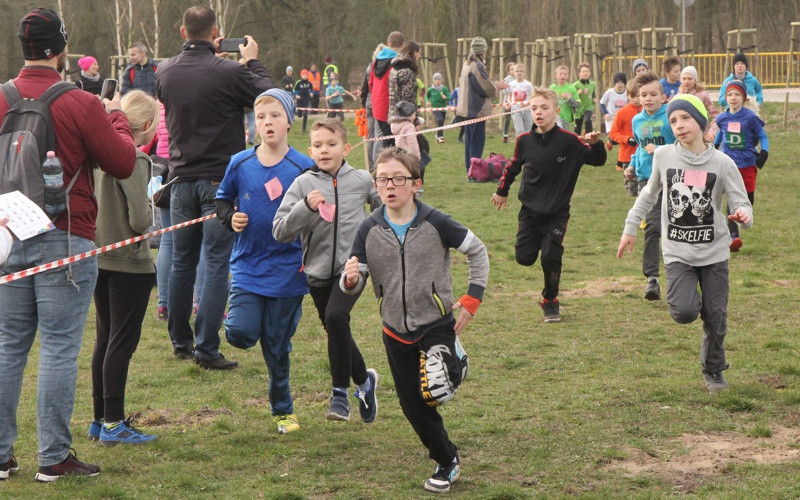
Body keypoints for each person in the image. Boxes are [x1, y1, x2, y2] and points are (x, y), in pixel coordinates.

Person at [0, 7, 137, 481]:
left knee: (8, 347)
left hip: (8, 235)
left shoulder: (1, 98)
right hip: (65, 234)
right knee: (59, 348)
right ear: (61, 49)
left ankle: (1, 455)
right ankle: (53, 456)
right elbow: (122, 162)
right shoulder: (79, 102)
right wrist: (116, 115)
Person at [342, 147, 489, 493]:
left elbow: (477, 251)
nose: (389, 186)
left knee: (436, 389)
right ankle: (447, 458)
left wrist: (472, 299)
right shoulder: (367, 229)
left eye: (398, 179)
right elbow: (356, 280)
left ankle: (452, 365)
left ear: (416, 183)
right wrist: (350, 280)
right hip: (394, 329)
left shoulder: (436, 222)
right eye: (382, 180)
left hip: (436, 323)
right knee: (413, 405)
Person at [155, 5, 276, 370]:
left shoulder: (164, 71)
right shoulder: (230, 72)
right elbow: (269, 97)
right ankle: (206, 348)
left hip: (180, 180)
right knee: (217, 262)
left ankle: (181, 341)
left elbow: (188, 88)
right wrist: (251, 61)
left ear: (182, 32)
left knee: (182, 262)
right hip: (219, 182)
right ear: (215, 32)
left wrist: (212, 57)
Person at [617, 94, 753, 394]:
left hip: (714, 252)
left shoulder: (723, 163)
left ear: (701, 122)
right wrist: (630, 228)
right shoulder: (664, 156)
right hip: (678, 252)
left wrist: (744, 216)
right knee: (684, 312)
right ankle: (699, 305)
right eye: (673, 120)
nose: (678, 125)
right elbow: (648, 195)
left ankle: (713, 370)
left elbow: (741, 201)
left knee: (716, 316)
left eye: (686, 118)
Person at [215, 89, 314, 433]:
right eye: (261, 117)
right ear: (254, 125)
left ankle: (282, 409)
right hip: (248, 263)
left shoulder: (304, 167)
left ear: (289, 122)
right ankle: (250, 320)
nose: (268, 123)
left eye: (275, 116)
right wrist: (230, 217)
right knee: (241, 334)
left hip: (289, 269)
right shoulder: (240, 163)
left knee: (276, 347)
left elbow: (323, 212)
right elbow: (221, 200)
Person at [273, 118, 382, 423]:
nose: (324, 150)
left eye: (332, 144)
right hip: (317, 273)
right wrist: (305, 208)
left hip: (353, 268)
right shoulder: (302, 184)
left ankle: (339, 396)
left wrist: (373, 239)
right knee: (337, 328)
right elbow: (280, 231)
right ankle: (365, 382)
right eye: (318, 145)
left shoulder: (362, 180)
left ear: (346, 148)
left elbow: (385, 209)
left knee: (336, 317)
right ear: (310, 151)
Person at [491, 88, 607, 323]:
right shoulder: (524, 141)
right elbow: (512, 167)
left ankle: (550, 300)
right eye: (534, 108)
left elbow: (598, 161)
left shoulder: (569, 141)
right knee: (524, 258)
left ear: (556, 111)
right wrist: (502, 191)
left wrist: (596, 144)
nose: (538, 112)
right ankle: (534, 241)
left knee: (550, 257)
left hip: (557, 213)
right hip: (530, 211)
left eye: (544, 108)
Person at [90, 90, 159, 446]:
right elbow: (139, 220)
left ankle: (100, 418)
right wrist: (151, 204)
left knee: (104, 339)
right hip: (129, 263)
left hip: (99, 257)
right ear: (146, 125)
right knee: (121, 343)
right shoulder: (135, 157)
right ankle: (115, 424)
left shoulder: (98, 156)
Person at [625, 70, 676, 301]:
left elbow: (683, 144)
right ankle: (652, 279)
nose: (648, 98)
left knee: (676, 228)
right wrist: (632, 165)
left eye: (653, 94)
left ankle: (682, 273)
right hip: (649, 180)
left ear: (663, 97)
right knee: (652, 227)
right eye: (643, 94)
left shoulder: (671, 117)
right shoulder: (637, 120)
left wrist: (662, 150)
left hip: (674, 178)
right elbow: (640, 147)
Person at [714, 80, 768, 252]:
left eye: (737, 94)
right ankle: (733, 236)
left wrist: (764, 152)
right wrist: (714, 148)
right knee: (731, 197)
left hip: (747, 164)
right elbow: (720, 135)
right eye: (730, 94)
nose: (733, 98)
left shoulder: (750, 117)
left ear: (743, 98)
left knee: (748, 197)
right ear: (726, 98)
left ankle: (742, 217)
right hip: (729, 164)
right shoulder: (722, 118)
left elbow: (763, 136)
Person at [456, 37, 504, 174]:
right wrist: (496, 87)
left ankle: (469, 169)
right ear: (483, 51)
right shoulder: (477, 65)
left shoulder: (467, 63)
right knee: (477, 142)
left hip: (467, 109)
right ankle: (474, 171)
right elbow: (485, 88)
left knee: (469, 142)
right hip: (476, 109)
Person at [369, 31, 405, 159]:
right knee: (392, 143)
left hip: (378, 105)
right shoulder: (398, 62)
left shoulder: (376, 61)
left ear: (388, 43)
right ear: (403, 45)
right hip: (390, 106)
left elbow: (371, 83)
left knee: (386, 140)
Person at [608, 80, 642, 196]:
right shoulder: (622, 113)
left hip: (645, 155)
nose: (636, 99)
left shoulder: (647, 111)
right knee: (632, 190)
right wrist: (627, 139)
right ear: (628, 95)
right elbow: (613, 133)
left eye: (639, 96)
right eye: (633, 96)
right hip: (627, 156)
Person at [389, 40, 422, 158]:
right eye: (419, 53)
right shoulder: (407, 72)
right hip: (405, 118)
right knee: (413, 153)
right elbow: (407, 99)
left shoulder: (394, 69)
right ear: (414, 52)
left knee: (401, 152)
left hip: (394, 115)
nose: (420, 56)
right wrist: (415, 120)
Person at [678, 66, 719, 142]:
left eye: (689, 79)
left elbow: (715, 115)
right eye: (684, 78)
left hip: (702, 136)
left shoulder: (702, 95)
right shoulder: (678, 96)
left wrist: (712, 132)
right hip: (684, 135)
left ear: (695, 80)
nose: (686, 81)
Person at [505, 63, 534, 137]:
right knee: (520, 130)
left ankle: (528, 143)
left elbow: (533, 96)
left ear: (524, 73)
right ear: (514, 73)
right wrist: (508, 103)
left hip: (527, 110)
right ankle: (520, 143)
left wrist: (528, 103)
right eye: (517, 71)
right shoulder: (511, 84)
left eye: (521, 71)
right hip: (515, 110)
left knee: (528, 130)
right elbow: (509, 95)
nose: (519, 73)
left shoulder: (528, 84)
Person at [549, 65, 578, 130]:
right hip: (555, 116)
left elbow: (577, 104)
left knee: (563, 133)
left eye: (565, 74)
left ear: (568, 76)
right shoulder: (552, 88)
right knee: (558, 129)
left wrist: (569, 98)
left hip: (566, 117)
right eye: (560, 74)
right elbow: (547, 100)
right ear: (556, 76)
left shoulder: (571, 88)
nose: (563, 76)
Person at [600, 72, 628, 137]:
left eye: (622, 82)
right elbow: (601, 103)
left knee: (621, 136)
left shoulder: (627, 93)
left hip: (622, 118)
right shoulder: (609, 92)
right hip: (611, 118)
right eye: (618, 82)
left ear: (624, 83)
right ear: (615, 83)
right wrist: (605, 113)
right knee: (612, 136)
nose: (620, 85)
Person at [426, 72, 450, 144]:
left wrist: (446, 97)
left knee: (441, 122)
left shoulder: (444, 88)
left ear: (441, 80)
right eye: (436, 79)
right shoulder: (430, 89)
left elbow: (450, 97)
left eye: (439, 79)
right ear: (434, 80)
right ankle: (440, 136)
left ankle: (438, 136)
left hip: (443, 108)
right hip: (435, 108)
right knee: (440, 119)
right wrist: (428, 101)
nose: (438, 81)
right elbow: (427, 96)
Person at [573, 63, 597, 134]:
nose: (585, 73)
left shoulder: (593, 84)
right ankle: (577, 138)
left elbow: (593, 93)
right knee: (578, 128)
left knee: (587, 120)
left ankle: (590, 136)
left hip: (588, 106)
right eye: (583, 71)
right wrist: (577, 93)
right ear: (579, 74)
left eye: (587, 71)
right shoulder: (575, 85)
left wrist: (594, 99)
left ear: (590, 74)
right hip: (579, 108)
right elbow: (571, 96)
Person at [501, 62, 516, 143]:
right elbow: (504, 91)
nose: (513, 70)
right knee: (507, 119)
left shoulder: (519, 78)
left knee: (517, 118)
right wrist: (511, 90)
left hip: (517, 102)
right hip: (507, 102)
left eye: (514, 68)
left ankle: (518, 135)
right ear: (508, 71)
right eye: (511, 69)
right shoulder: (506, 79)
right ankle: (505, 135)